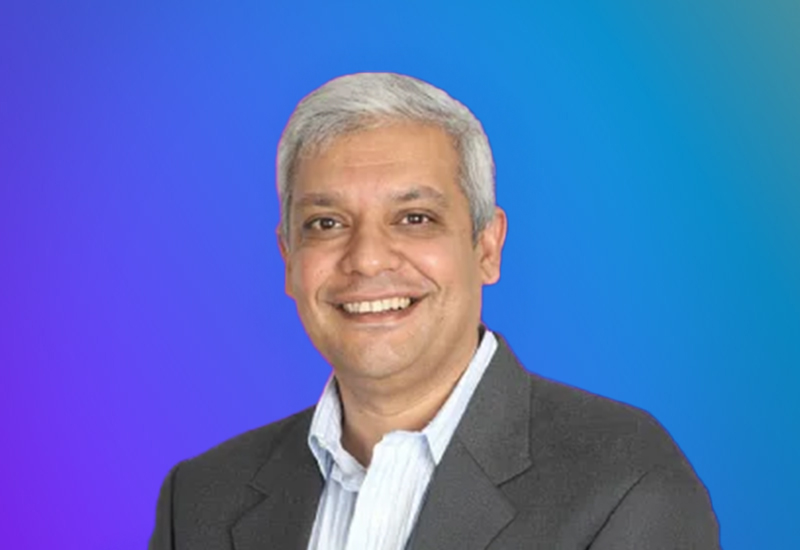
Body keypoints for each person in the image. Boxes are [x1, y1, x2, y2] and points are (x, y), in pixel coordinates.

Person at [149, 72, 720, 550]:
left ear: (487, 247)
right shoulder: (200, 499)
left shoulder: (625, 482)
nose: (367, 259)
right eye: (326, 224)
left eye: (414, 218)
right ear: (289, 259)